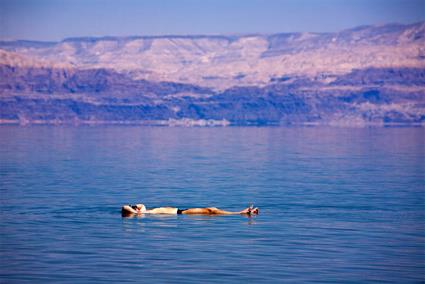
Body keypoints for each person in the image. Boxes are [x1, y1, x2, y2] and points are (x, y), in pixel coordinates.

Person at [121, 203, 259, 216]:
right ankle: (241, 213)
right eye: (136, 207)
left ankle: (242, 213)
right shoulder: (144, 213)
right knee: (211, 210)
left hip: (181, 212)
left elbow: (141, 204)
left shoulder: (145, 210)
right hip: (181, 214)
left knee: (211, 210)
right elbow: (124, 207)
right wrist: (135, 211)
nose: (138, 205)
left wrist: (136, 209)